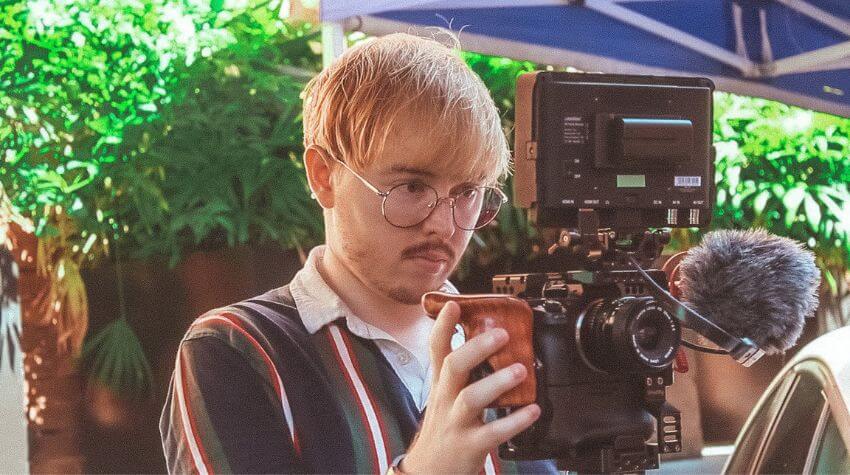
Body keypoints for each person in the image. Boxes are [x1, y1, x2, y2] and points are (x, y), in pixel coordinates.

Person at [160, 31, 557, 474]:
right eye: (412, 187)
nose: (444, 225)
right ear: (323, 176)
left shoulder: (513, 349)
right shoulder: (238, 349)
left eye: (467, 192)